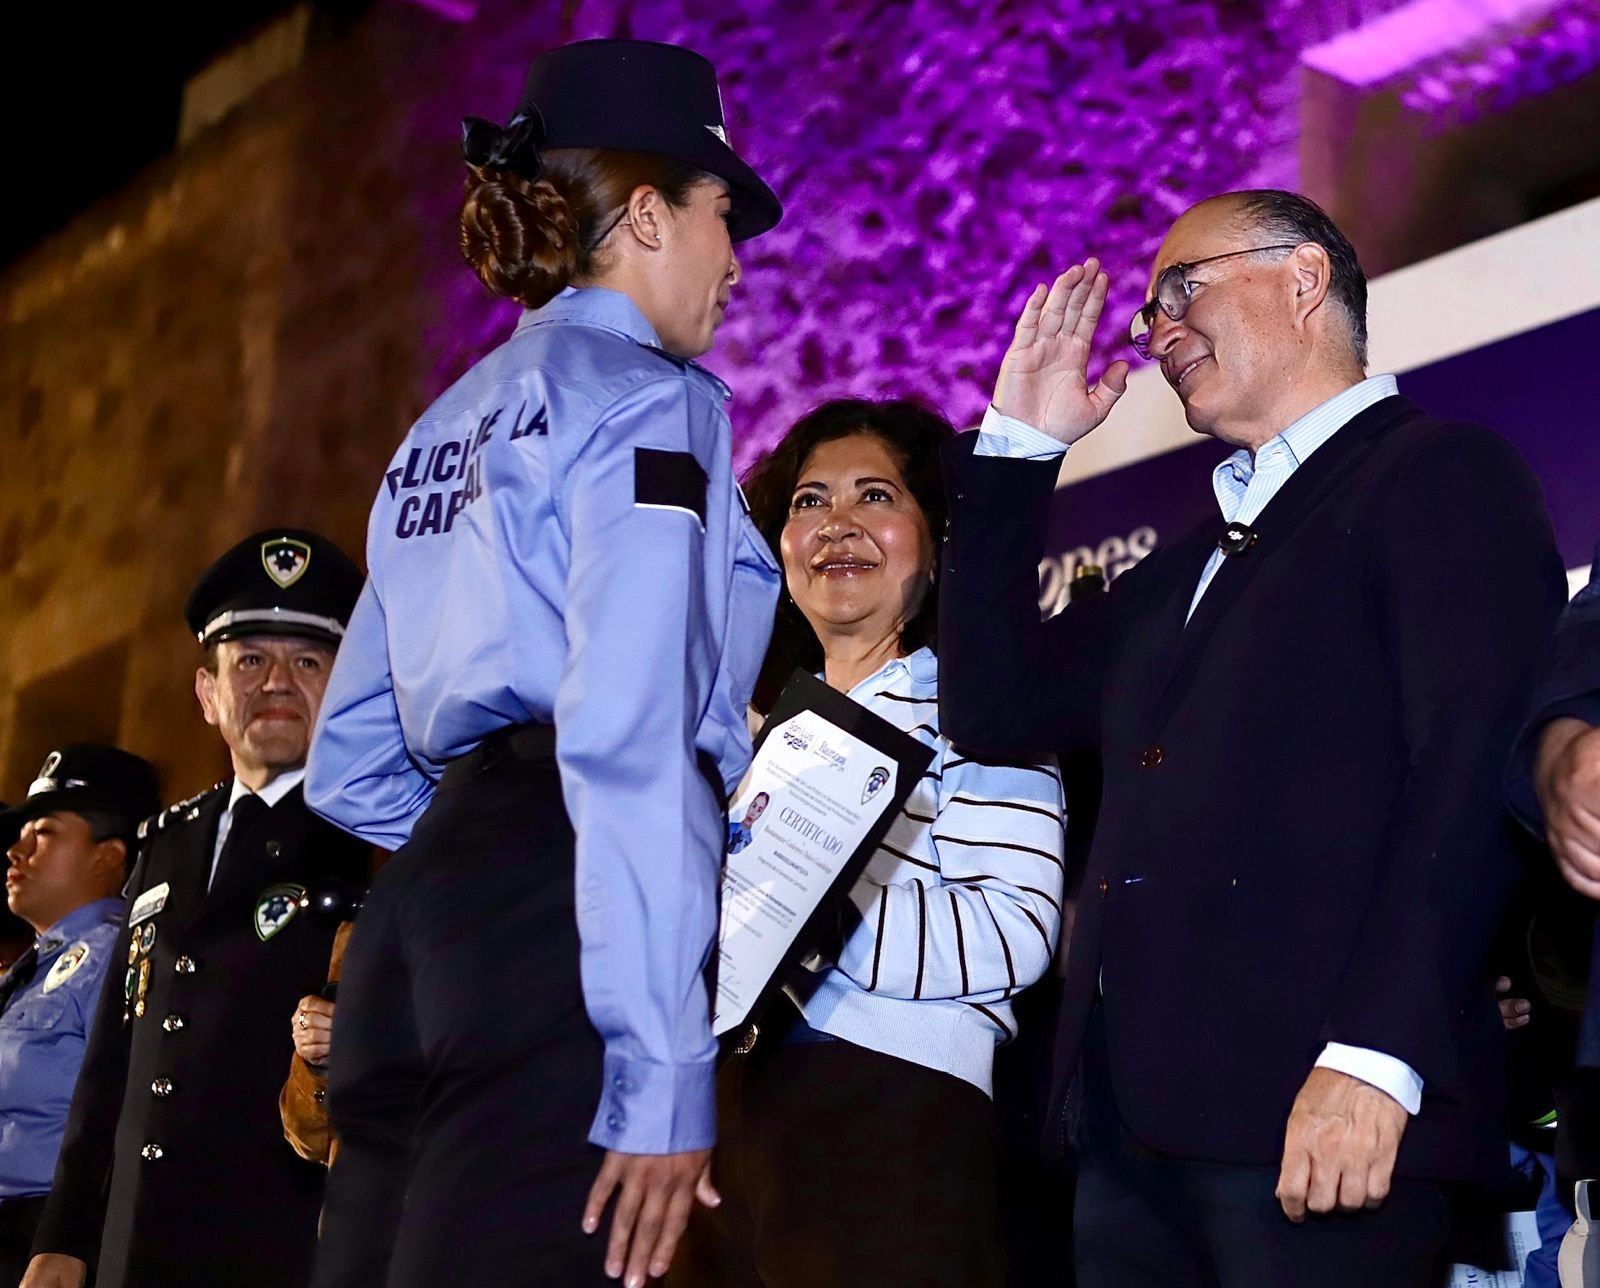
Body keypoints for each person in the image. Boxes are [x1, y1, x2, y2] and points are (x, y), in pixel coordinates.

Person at [936, 189, 1567, 1285]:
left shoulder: (1438, 473)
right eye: (1150, 313)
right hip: (1130, 1146)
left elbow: (1469, 775)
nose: (1158, 331)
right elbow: (990, 707)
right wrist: (1018, 448)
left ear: (1304, 278)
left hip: (1324, 1117)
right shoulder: (1182, 567)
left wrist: (1378, 1057)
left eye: (1183, 290)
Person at [302, 38, 782, 1288]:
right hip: (558, 897)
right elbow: (627, 733)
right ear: (647, 215)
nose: (736, 260)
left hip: (419, 914)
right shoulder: (651, 398)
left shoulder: (440, 422)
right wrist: (662, 1067)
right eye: (722, 215)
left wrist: (475, 830)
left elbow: (349, 762)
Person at [668, 399, 1065, 1287]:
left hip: (891, 1114)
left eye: (875, 496)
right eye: (808, 502)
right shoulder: (742, 739)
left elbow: (1014, 932)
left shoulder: (980, 708)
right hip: (719, 1125)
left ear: (936, 541)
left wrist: (801, 916)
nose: (836, 524)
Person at [24, 531, 370, 1288]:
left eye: (307, 663)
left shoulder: (373, 839)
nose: (277, 682)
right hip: (134, 1243)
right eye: (250, 660)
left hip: (281, 1248)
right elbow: (113, 1054)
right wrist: (66, 1236)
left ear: (343, 687)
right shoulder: (167, 842)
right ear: (208, 694)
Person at [0, 747, 159, 1286]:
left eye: (44, 833)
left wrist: (69, 1240)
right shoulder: (31, 969)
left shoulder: (117, 959)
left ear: (107, 856)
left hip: (43, 1240)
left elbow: (117, 1109)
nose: (16, 851)